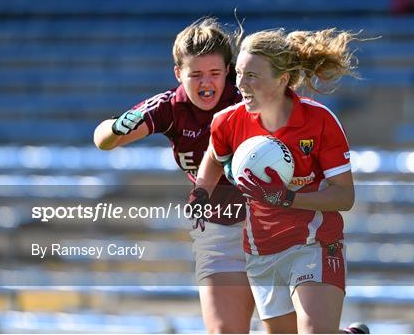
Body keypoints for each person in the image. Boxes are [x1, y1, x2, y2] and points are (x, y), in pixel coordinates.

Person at [93, 18, 255, 333]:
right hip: (218, 229)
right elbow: (103, 139)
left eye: (214, 74)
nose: (205, 83)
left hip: (272, 225)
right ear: (178, 74)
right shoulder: (170, 106)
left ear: (229, 72)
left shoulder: (248, 100)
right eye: (195, 74)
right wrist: (115, 128)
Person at [191, 27, 358, 333]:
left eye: (252, 75)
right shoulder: (228, 121)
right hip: (262, 251)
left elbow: (344, 196)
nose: (240, 84)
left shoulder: (319, 121)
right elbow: (214, 157)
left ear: (282, 80)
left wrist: (289, 199)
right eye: (238, 73)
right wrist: (201, 192)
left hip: (315, 244)